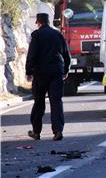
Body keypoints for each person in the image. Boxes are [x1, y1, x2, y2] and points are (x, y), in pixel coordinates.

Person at [26, 13, 71, 141]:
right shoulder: (57, 34)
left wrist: (29, 71)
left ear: (38, 22)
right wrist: (66, 69)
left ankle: (36, 132)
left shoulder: (36, 35)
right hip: (56, 72)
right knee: (56, 102)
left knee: (39, 102)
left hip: (40, 74)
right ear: (48, 21)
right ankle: (57, 131)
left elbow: (32, 54)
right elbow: (66, 54)